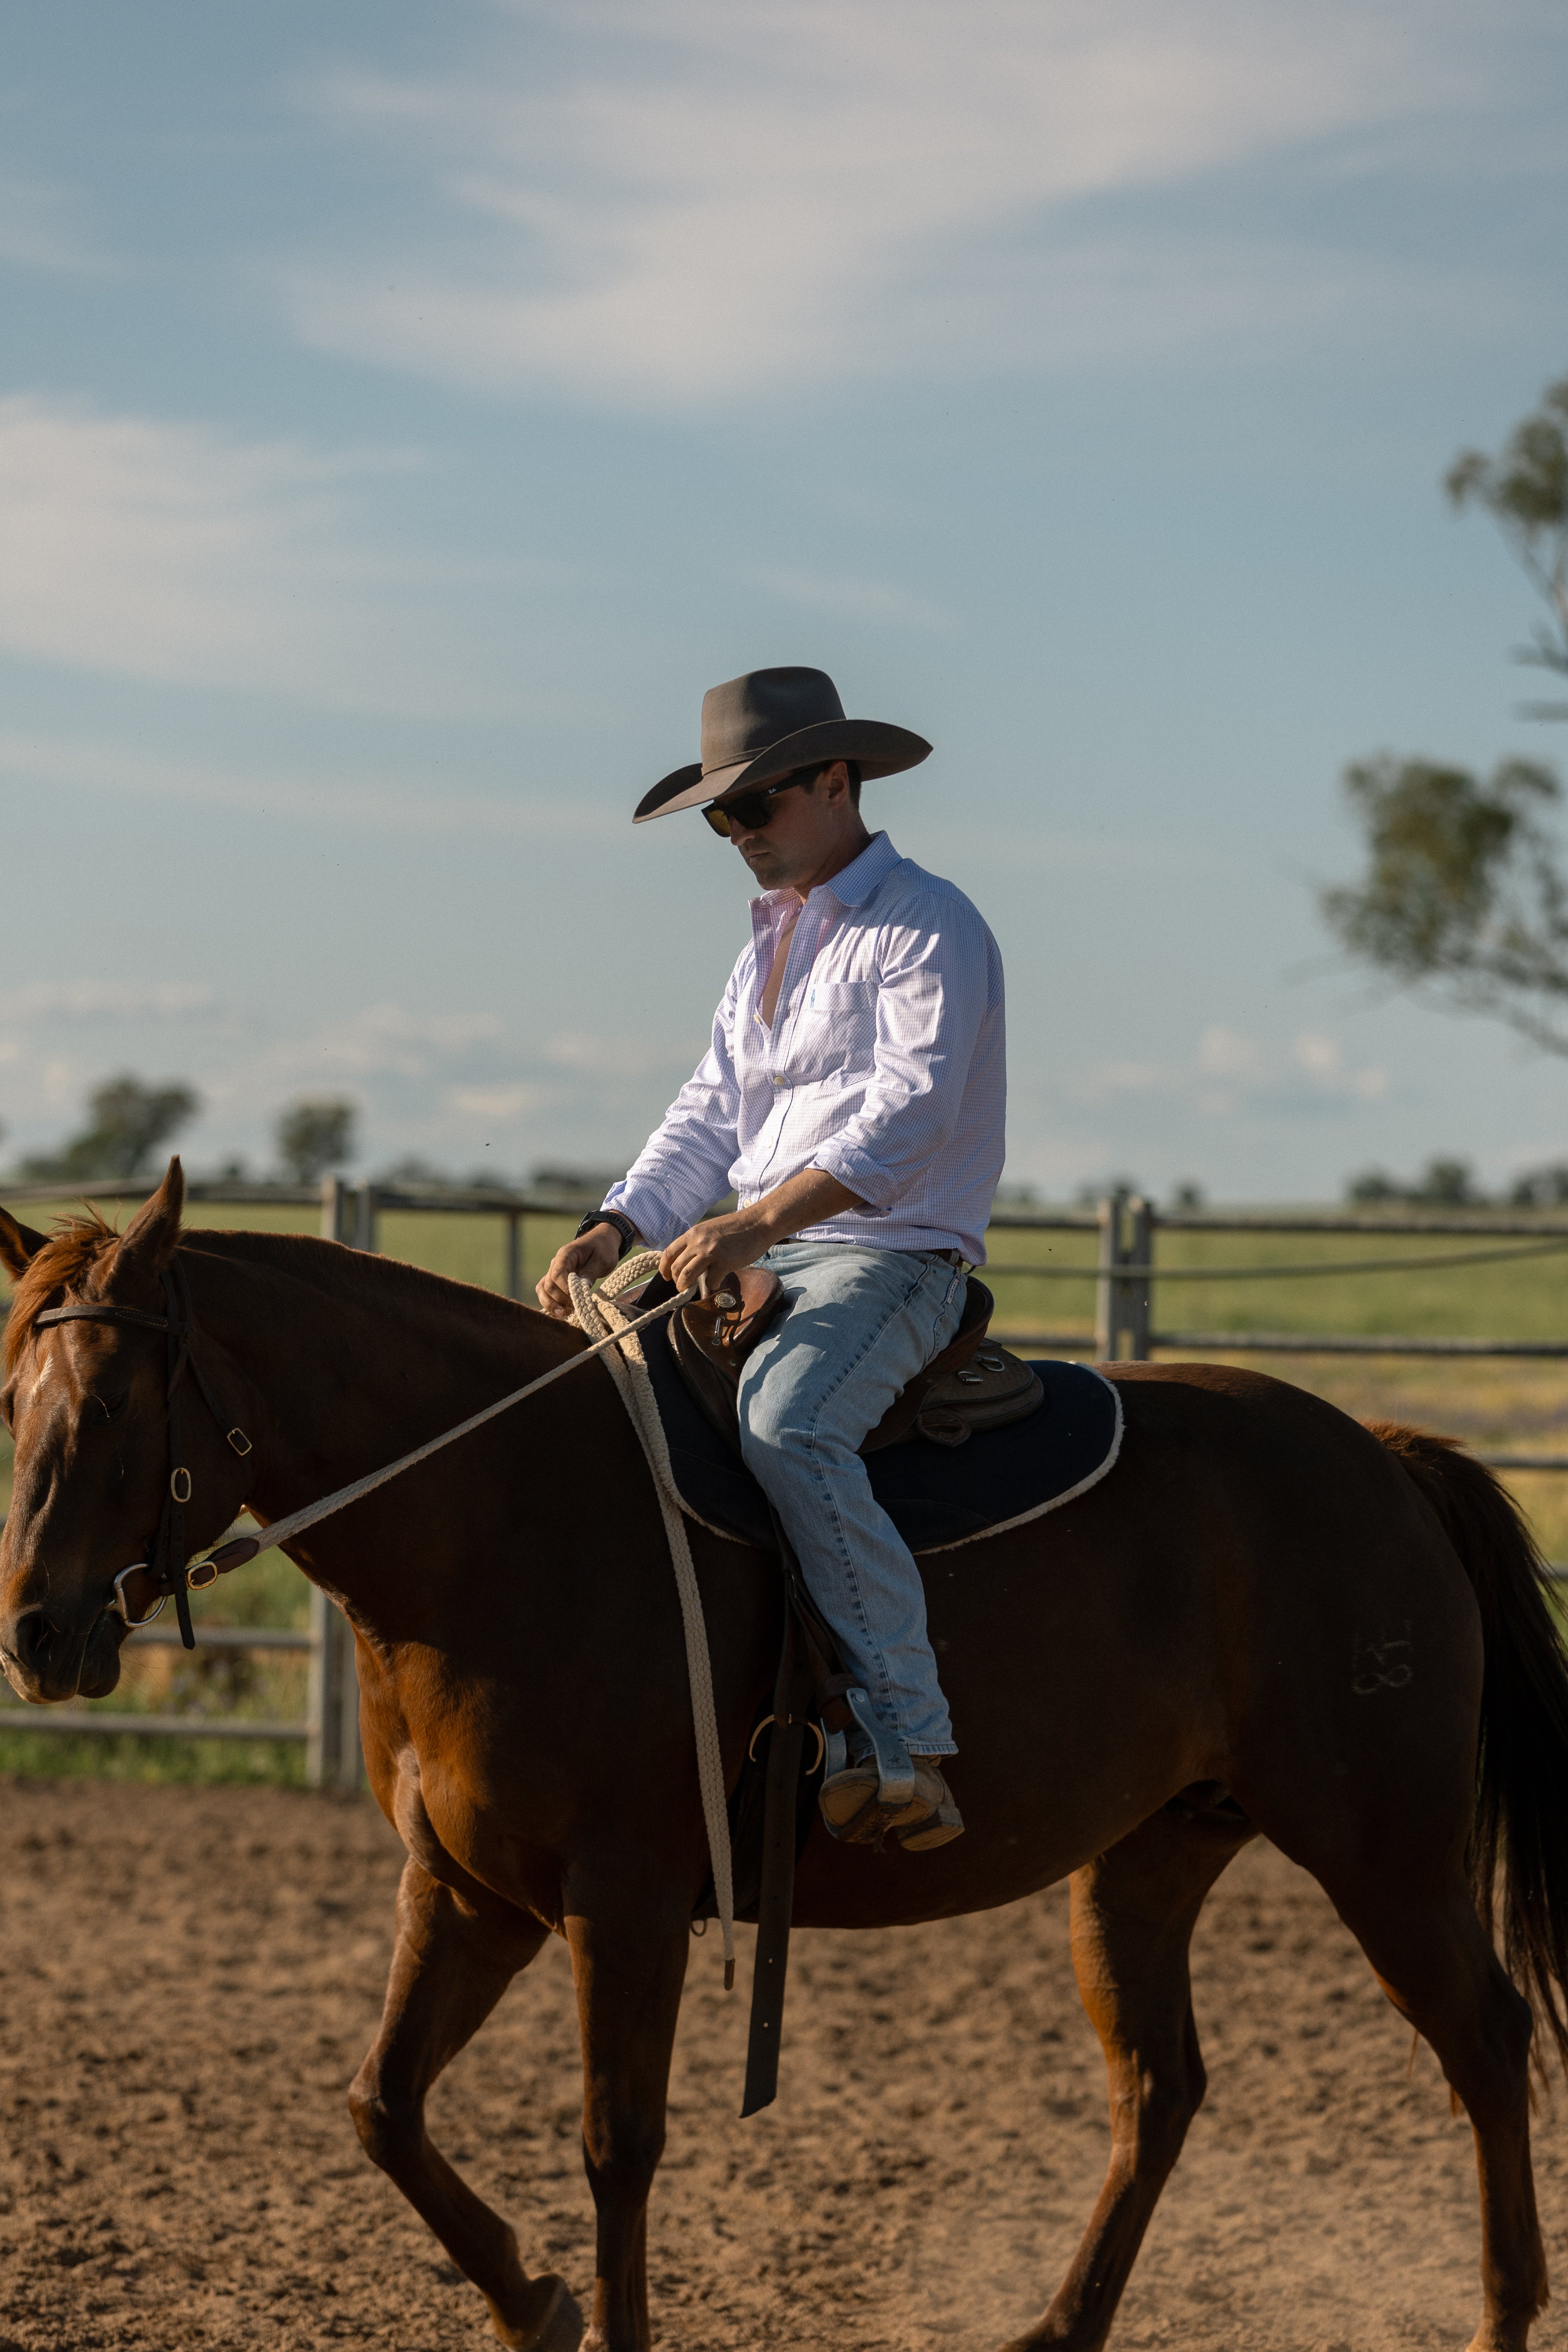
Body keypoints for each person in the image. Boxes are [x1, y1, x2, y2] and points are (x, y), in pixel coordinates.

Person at [538, 667, 1005, 1851]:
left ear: (837, 784)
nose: (736, 836)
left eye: (754, 807)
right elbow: (708, 1117)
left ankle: (908, 1736)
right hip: (757, 1255)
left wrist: (756, 1225)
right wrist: (617, 1226)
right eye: (720, 818)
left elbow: (910, 1117)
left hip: (887, 1260)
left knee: (790, 1426)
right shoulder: (763, 956)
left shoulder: (927, 925)